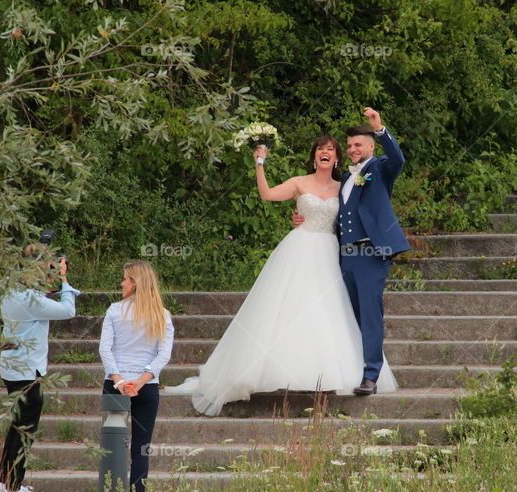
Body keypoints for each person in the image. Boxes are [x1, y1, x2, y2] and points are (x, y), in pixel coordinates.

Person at [165, 127, 397, 414]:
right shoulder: (300, 182)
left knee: (331, 311)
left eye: (331, 149)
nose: (325, 153)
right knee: (289, 307)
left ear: (337, 158)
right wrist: (259, 163)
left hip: (335, 253)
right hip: (301, 250)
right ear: (314, 156)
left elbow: (353, 217)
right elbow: (267, 194)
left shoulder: (347, 183)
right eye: (319, 149)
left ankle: (336, 372)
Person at [293, 107, 408, 395]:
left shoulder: (380, 168)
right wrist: (301, 219)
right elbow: (332, 213)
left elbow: (398, 159)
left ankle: (371, 375)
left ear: (370, 146)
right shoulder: (346, 177)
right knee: (348, 314)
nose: (353, 149)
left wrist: (380, 128)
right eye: (350, 146)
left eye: (359, 144)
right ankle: (351, 369)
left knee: (370, 314)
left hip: (370, 253)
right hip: (343, 255)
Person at [0, 244, 80, 492]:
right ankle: (12, 488)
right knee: (25, 430)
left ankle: (6, 482)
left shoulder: (13, 292)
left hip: (13, 369)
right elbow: (68, 310)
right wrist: (65, 279)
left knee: (16, 428)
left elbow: (41, 298)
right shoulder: (29, 299)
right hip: (27, 372)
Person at [99, 260, 174, 492]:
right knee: (141, 448)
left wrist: (120, 381)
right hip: (146, 386)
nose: (122, 284)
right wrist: (140, 381)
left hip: (116, 385)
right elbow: (163, 355)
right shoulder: (162, 314)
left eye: (125, 279)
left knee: (111, 446)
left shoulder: (114, 311)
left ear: (135, 282)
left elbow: (105, 349)